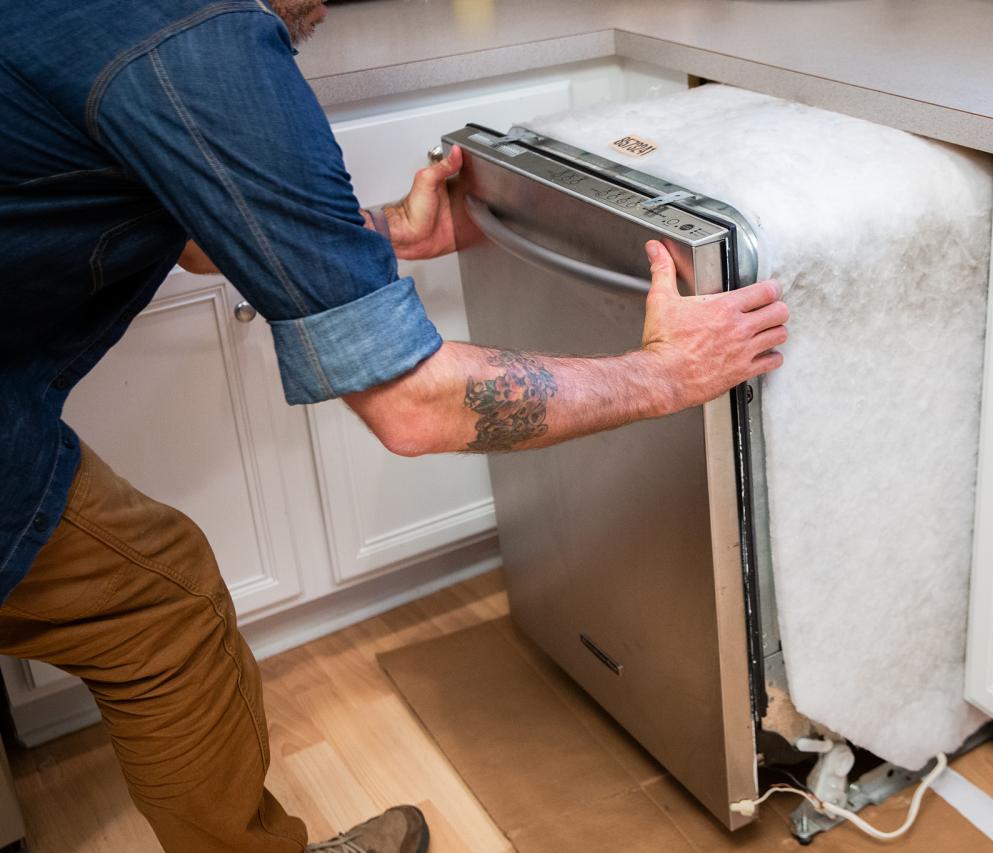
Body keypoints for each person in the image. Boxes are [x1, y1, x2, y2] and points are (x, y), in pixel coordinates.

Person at [0, 1, 788, 851]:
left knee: (157, 594)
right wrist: (666, 374)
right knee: (161, 606)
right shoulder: (201, 40)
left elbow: (200, 232)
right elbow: (415, 407)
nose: (325, 7)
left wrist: (387, 231)